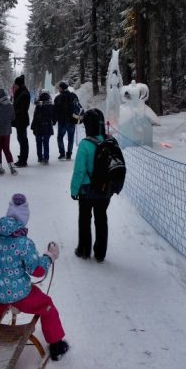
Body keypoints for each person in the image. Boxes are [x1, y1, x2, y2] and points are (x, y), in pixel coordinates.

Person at [0, 194, 70, 361]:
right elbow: (37, 270)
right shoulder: (24, 243)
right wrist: (49, 257)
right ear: (24, 219)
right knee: (47, 307)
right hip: (21, 295)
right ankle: (56, 345)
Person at [70, 108, 111, 263]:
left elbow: (79, 171)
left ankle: (84, 250)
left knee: (84, 219)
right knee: (101, 219)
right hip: (104, 188)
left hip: (87, 189)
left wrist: (74, 190)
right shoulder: (109, 141)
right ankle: (100, 253)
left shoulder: (85, 145)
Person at [0, 88, 17, 175]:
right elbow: (13, 117)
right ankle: (12, 167)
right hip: (6, 131)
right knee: (6, 149)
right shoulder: (10, 105)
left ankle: (0, 168)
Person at [53, 81, 79, 161]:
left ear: (61, 88)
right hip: (72, 120)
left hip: (62, 121)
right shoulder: (74, 96)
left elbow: (55, 110)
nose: (59, 89)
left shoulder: (58, 98)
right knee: (71, 138)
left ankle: (62, 153)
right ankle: (69, 155)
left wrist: (54, 120)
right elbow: (78, 107)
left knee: (60, 137)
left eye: (59, 87)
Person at [30, 90, 56, 165]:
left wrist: (33, 127)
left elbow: (35, 117)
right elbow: (53, 117)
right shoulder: (51, 106)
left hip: (38, 127)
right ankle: (46, 158)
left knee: (38, 143)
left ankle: (40, 157)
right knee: (46, 143)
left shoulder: (38, 106)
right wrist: (53, 122)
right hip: (47, 127)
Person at [11, 75, 31, 167]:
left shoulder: (24, 94)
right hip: (19, 119)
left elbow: (23, 108)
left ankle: (23, 160)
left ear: (19, 84)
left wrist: (15, 112)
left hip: (21, 119)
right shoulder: (21, 92)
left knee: (23, 140)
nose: (14, 86)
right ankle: (22, 157)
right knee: (21, 139)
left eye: (15, 84)